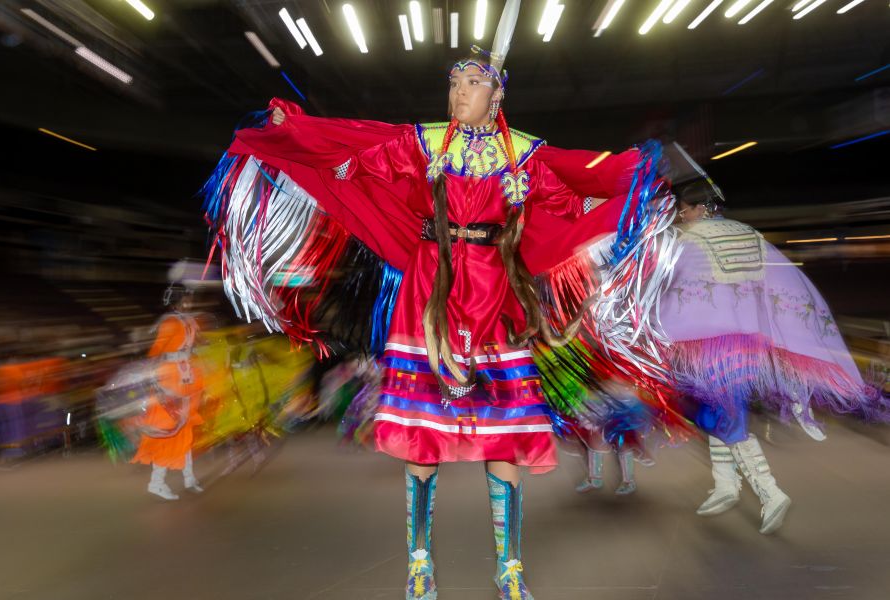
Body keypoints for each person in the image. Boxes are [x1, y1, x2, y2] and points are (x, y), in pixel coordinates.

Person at [201, 2, 675, 596]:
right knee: (422, 443)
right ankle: (419, 562)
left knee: (503, 439)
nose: (457, 91)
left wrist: (628, 175)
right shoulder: (423, 143)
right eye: (453, 82)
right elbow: (356, 151)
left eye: (472, 82)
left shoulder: (524, 155)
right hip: (432, 292)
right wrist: (296, 134)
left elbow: (575, 187)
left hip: (496, 294)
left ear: (496, 96)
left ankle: (510, 567)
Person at [659, 181, 889, 534]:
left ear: (700, 209)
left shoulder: (689, 240)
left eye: (684, 209)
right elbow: (785, 283)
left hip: (709, 348)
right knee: (720, 410)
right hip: (750, 345)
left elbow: (674, 289)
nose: (682, 215)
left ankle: (770, 491)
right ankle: (725, 485)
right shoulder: (750, 234)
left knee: (713, 411)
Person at [130, 283, 205, 500]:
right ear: (177, 301)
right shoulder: (170, 323)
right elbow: (155, 353)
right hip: (170, 380)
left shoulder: (189, 321)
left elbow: (194, 348)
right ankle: (156, 482)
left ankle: (189, 478)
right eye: (186, 299)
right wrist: (155, 382)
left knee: (185, 431)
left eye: (190, 299)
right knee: (169, 430)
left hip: (186, 379)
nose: (190, 302)